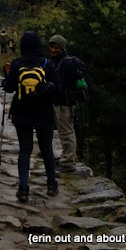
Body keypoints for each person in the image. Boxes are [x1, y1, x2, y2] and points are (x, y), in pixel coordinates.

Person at [3, 31, 58, 202]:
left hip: (22, 113)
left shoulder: (17, 64)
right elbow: (57, 89)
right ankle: (51, 184)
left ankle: (24, 188)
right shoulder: (47, 64)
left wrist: (6, 76)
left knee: (25, 150)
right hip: (44, 113)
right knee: (47, 149)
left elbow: (9, 88)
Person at [49, 34, 81, 173]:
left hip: (64, 103)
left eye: (56, 47)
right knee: (65, 132)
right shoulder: (60, 61)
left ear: (62, 48)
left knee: (66, 132)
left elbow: (63, 84)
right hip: (62, 102)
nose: (53, 50)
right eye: (51, 47)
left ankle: (68, 161)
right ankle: (68, 157)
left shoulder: (65, 63)